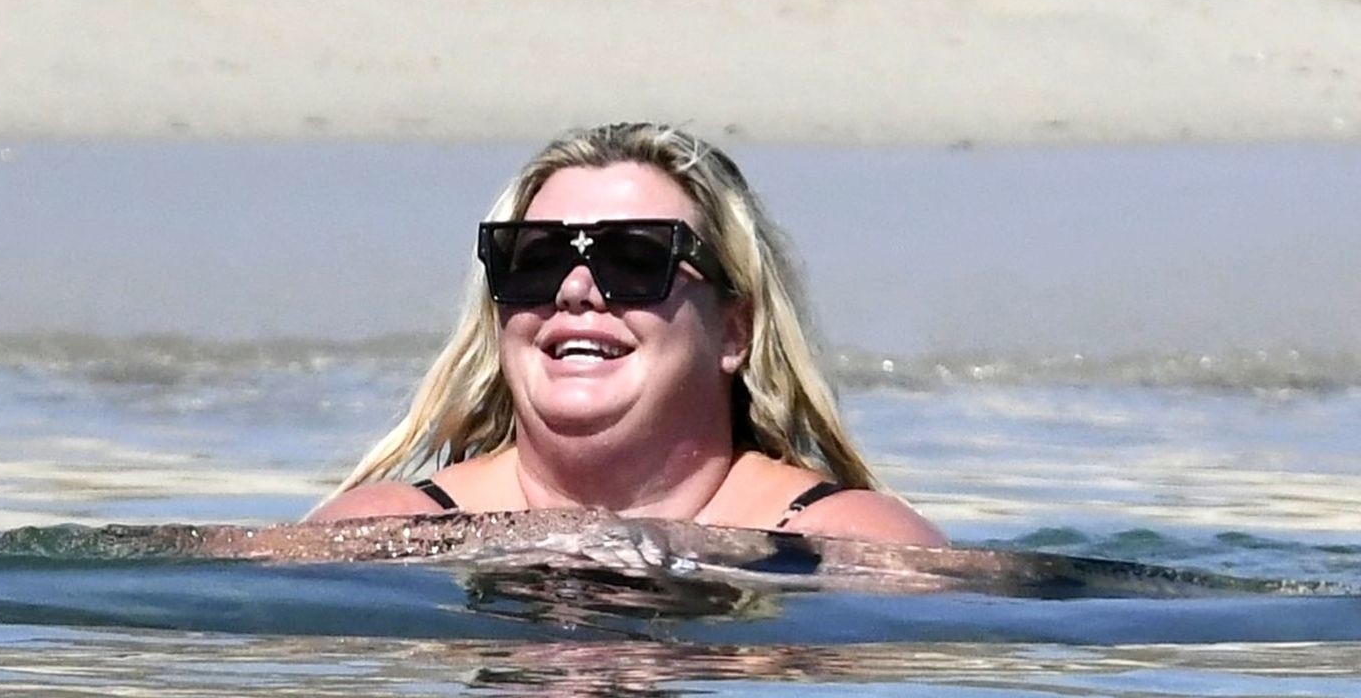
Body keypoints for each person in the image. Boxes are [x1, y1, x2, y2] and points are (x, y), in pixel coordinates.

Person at [307, 122, 947, 546]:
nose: (574, 289)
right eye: (535, 259)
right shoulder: (381, 535)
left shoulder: (844, 545)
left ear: (735, 330)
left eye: (636, 260)